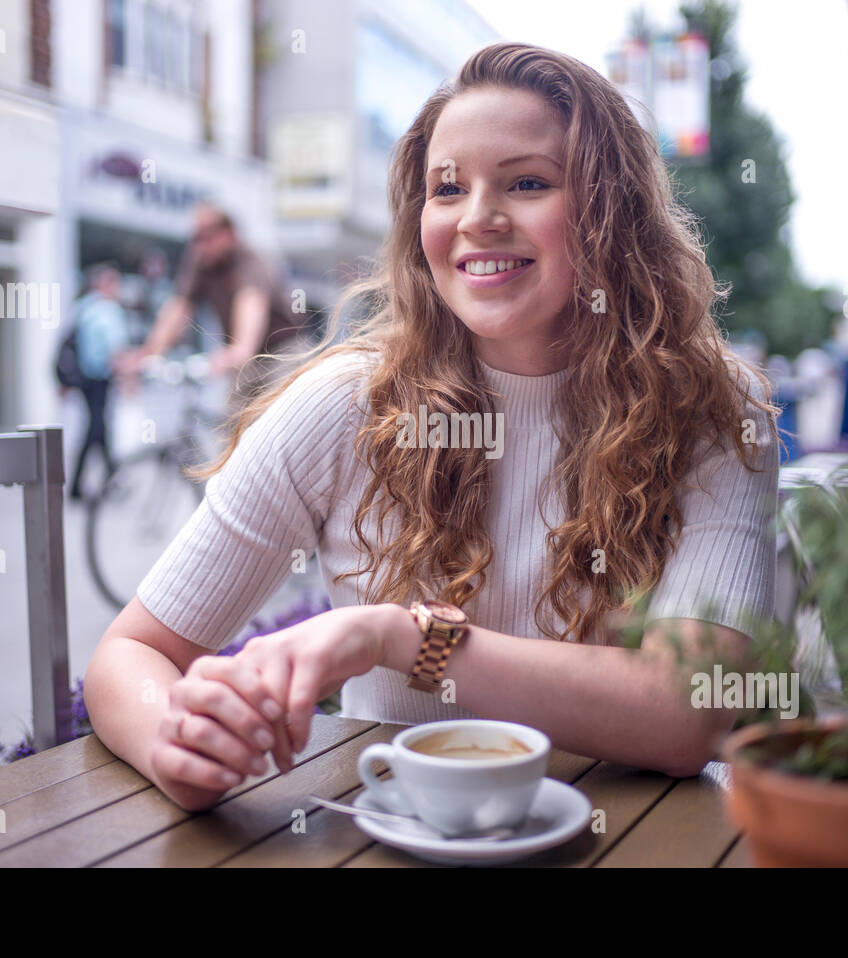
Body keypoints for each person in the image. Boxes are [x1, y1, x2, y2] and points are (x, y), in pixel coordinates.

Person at [84, 43, 783, 812]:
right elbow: (132, 654)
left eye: (526, 182)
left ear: (609, 209)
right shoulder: (342, 406)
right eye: (447, 188)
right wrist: (172, 741)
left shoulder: (714, 412)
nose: (478, 218)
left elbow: (686, 713)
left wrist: (404, 639)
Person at [119, 204, 311, 409]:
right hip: (247, 357)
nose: (200, 246)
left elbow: (250, 307)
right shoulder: (201, 261)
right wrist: (151, 352)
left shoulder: (250, 261)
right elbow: (179, 307)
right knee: (235, 422)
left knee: (280, 415)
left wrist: (234, 352)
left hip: (284, 350)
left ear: (228, 235)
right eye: (196, 239)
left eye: (207, 238)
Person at [69, 264, 129, 501]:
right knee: (96, 428)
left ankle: (111, 476)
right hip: (101, 378)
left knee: (99, 427)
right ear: (105, 285)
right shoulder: (107, 309)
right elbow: (116, 347)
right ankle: (79, 484)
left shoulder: (83, 307)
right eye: (115, 283)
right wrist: (128, 377)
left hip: (85, 379)